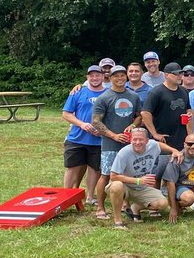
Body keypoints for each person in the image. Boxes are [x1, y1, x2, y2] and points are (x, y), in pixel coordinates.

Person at [89, 65, 142, 220]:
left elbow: (139, 116)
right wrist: (113, 136)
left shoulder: (133, 96)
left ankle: (125, 204)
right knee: (106, 175)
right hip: (110, 144)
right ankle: (100, 207)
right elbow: (96, 122)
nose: (119, 79)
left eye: (122, 76)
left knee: (126, 174)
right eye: (116, 76)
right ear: (110, 78)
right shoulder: (104, 98)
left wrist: (133, 125)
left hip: (128, 143)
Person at [62, 65, 107, 205]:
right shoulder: (78, 92)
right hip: (77, 137)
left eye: (97, 75)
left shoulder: (109, 93)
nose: (95, 78)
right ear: (87, 77)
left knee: (95, 169)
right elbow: (66, 113)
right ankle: (65, 196)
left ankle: (90, 196)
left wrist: (103, 129)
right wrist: (82, 124)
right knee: (72, 167)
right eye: (91, 75)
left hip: (99, 139)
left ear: (103, 77)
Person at [107, 127, 169, 227]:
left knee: (163, 203)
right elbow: (113, 176)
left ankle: (135, 208)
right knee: (116, 186)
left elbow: (159, 145)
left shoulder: (152, 145)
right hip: (125, 187)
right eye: (134, 139)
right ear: (130, 140)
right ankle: (118, 221)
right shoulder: (124, 153)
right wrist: (138, 180)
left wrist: (174, 151)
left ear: (147, 141)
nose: (137, 142)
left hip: (142, 188)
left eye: (141, 139)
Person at [141, 62, 192, 153]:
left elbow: (189, 110)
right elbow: (145, 113)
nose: (180, 76)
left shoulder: (184, 91)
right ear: (166, 75)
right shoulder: (157, 92)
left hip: (181, 139)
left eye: (181, 73)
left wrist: (190, 134)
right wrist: (154, 134)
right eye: (176, 74)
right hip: (163, 140)